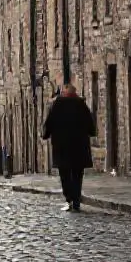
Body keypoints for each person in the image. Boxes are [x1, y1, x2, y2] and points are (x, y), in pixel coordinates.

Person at [41, 82, 96, 212]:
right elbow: (90, 124)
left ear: (63, 93)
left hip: (62, 146)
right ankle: (76, 200)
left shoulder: (57, 105)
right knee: (77, 174)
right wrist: (91, 132)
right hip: (79, 146)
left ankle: (69, 199)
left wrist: (46, 134)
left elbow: (49, 123)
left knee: (65, 174)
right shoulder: (81, 104)